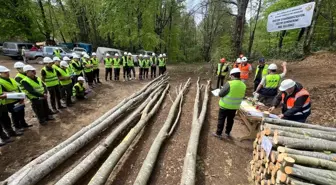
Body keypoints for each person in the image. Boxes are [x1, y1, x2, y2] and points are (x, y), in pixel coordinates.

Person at [213, 68, 246, 139]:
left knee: (221, 119)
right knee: (230, 120)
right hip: (234, 107)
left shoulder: (229, 83)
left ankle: (218, 133)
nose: (230, 77)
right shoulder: (243, 85)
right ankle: (227, 133)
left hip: (224, 106)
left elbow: (221, 94)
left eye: (231, 76)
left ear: (233, 75)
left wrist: (220, 91)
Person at [0, 66, 31, 133]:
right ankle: (17, 127)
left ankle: (23, 124)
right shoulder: (1, 82)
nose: (7, 74)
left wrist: (21, 97)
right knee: (15, 114)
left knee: (21, 112)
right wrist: (14, 94)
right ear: (0, 73)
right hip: (10, 102)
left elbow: (18, 88)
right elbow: (2, 93)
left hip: (18, 99)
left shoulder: (11, 79)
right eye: (5, 73)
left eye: (7, 72)